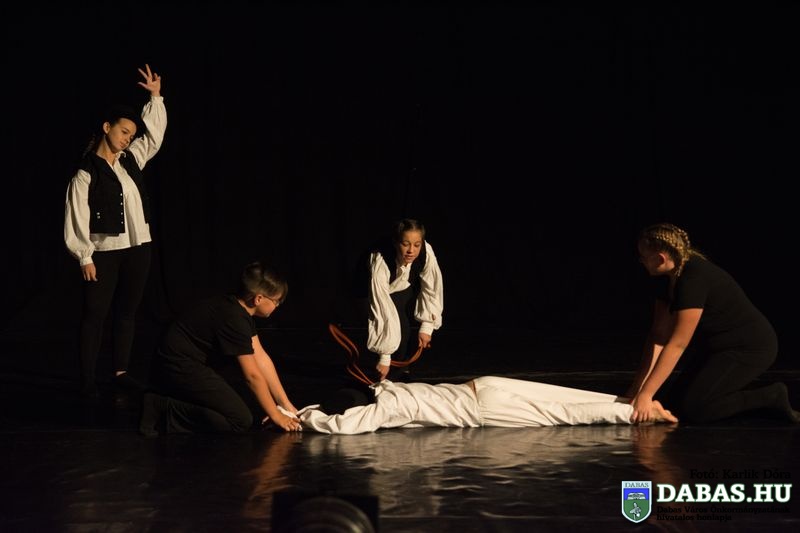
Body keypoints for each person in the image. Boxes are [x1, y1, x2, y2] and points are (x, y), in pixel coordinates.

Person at [627, 222, 799, 424]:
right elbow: (658, 336)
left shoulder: (693, 279)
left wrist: (647, 394)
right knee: (672, 405)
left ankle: (771, 396)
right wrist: (637, 390)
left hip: (749, 347)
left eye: (643, 256)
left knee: (695, 409)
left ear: (660, 258)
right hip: (716, 348)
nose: (641, 261)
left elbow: (678, 343)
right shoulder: (664, 278)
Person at [64, 64, 167, 398]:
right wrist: (84, 256)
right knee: (95, 315)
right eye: (124, 132)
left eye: (131, 135)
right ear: (107, 127)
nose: (128, 139)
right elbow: (76, 214)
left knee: (127, 313)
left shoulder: (130, 159)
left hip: (139, 247)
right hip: (104, 252)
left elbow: (154, 138)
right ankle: (87, 380)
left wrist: (155, 98)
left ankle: (120, 372)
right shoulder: (86, 172)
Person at [138, 261, 301, 436]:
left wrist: (285, 405)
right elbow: (252, 376)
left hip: (190, 363)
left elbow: (260, 357)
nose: (277, 306)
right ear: (258, 299)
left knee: (251, 407)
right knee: (240, 420)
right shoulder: (233, 318)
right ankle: (160, 407)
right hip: (177, 365)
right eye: (277, 301)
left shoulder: (240, 312)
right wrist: (276, 415)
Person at [291, 376, 678, 435]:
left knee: (562, 414)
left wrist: (303, 418)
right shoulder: (390, 388)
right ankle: (629, 401)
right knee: (561, 395)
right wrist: (308, 406)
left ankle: (636, 412)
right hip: (484, 384)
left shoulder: (389, 408)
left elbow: (345, 425)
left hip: (485, 410)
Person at [361, 218, 444, 381]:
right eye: (405, 244)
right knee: (393, 329)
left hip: (400, 286)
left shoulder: (426, 252)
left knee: (404, 330)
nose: (411, 251)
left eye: (416, 245)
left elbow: (432, 287)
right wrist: (385, 357)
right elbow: (381, 305)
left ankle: (399, 372)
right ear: (395, 242)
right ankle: (378, 372)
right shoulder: (381, 260)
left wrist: (427, 326)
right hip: (369, 290)